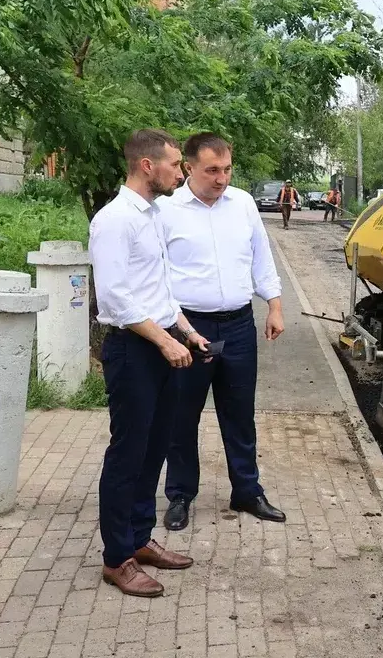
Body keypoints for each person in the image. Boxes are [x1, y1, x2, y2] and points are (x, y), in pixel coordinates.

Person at [89, 128, 206, 597]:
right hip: (133, 348)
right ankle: (117, 558)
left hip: (161, 343)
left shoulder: (153, 215)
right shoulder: (116, 219)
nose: (181, 172)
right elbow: (115, 297)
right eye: (176, 165)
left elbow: (158, 290)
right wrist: (163, 341)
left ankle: (139, 539)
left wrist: (186, 330)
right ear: (146, 166)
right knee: (127, 453)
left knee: (155, 447)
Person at [159, 132, 287, 531]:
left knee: (240, 413)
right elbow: (157, 275)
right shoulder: (166, 210)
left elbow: (261, 256)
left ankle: (247, 491)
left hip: (238, 326)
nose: (221, 178)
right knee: (182, 416)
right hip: (188, 328)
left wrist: (275, 305)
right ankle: (180, 494)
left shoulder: (243, 204)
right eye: (212, 170)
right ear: (189, 168)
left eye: (227, 169)